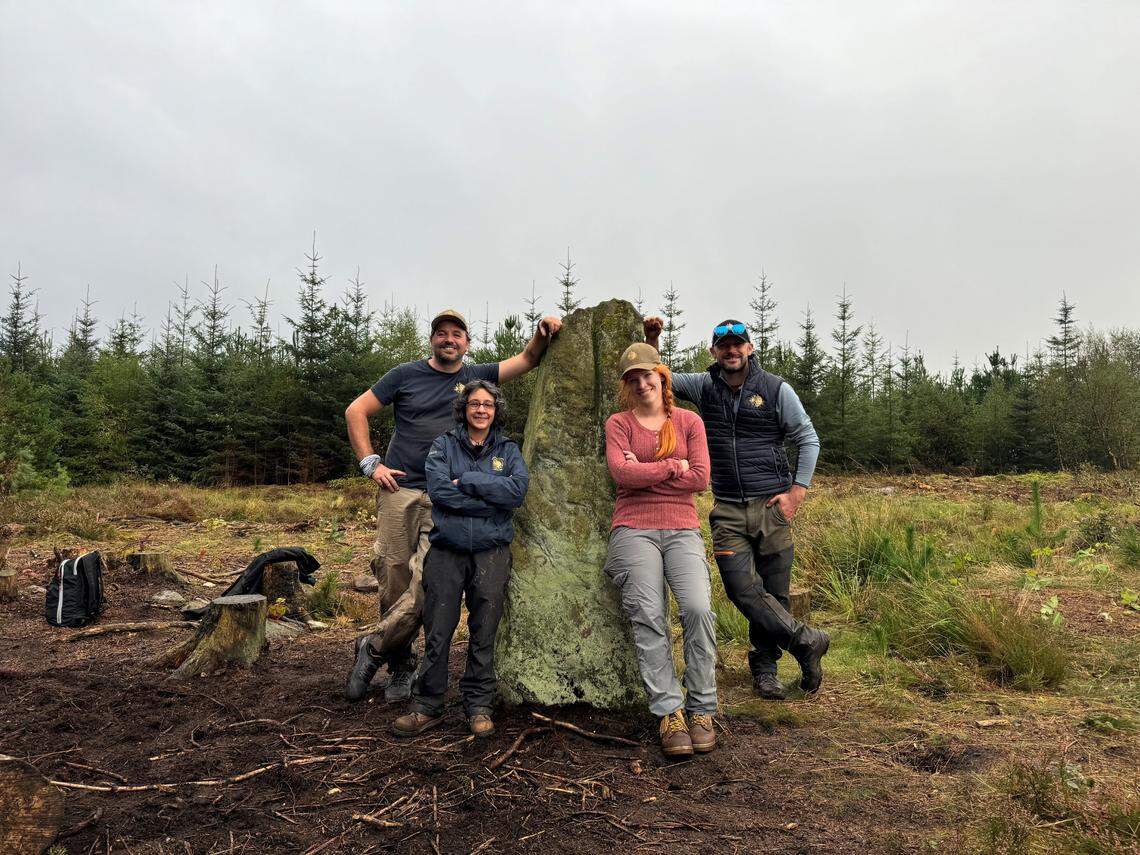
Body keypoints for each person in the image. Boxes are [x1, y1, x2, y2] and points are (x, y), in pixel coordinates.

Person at [344, 308, 561, 702]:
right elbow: (356, 410)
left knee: (425, 585)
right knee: (393, 580)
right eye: (442, 333)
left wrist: (543, 332)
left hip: (447, 499)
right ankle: (400, 667)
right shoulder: (404, 375)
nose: (449, 339)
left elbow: (528, 359)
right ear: (432, 340)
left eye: (457, 334)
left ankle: (373, 646)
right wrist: (370, 462)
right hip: (400, 490)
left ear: (467, 342)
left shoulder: (474, 379)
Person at [644, 317, 829, 699]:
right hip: (727, 506)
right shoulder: (703, 386)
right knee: (742, 589)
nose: (731, 350)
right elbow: (656, 379)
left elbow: (808, 439)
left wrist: (797, 493)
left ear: (750, 348)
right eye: (723, 345)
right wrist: (652, 338)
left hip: (772, 505)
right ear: (713, 351)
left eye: (738, 344)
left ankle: (765, 671)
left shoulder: (776, 389)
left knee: (774, 593)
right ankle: (806, 641)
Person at [391, 380, 528, 737]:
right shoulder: (443, 446)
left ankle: (479, 704)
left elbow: (516, 492)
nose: (481, 410)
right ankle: (427, 704)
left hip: (491, 554)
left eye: (488, 405)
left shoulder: (508, 449)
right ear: (464, 409)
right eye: (474, 404)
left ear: (496, 410)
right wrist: (489, 499)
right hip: (447, 552)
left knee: (484, 631)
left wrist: (466, 479)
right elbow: (439, 492)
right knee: (438, 630)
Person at [603, 343, 718, 757]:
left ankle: (703, 708)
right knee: (649, 616)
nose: (641, 382)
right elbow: (621, 473)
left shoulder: (688, 422)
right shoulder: (618, 424)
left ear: (662, 376)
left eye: (647, 375)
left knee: (698, 608)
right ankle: (670, 713)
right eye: (632, 378)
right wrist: (672, 467)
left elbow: (701, 479)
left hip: (683, 528)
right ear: (626, 386)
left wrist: (644, 472)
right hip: (633, 529)